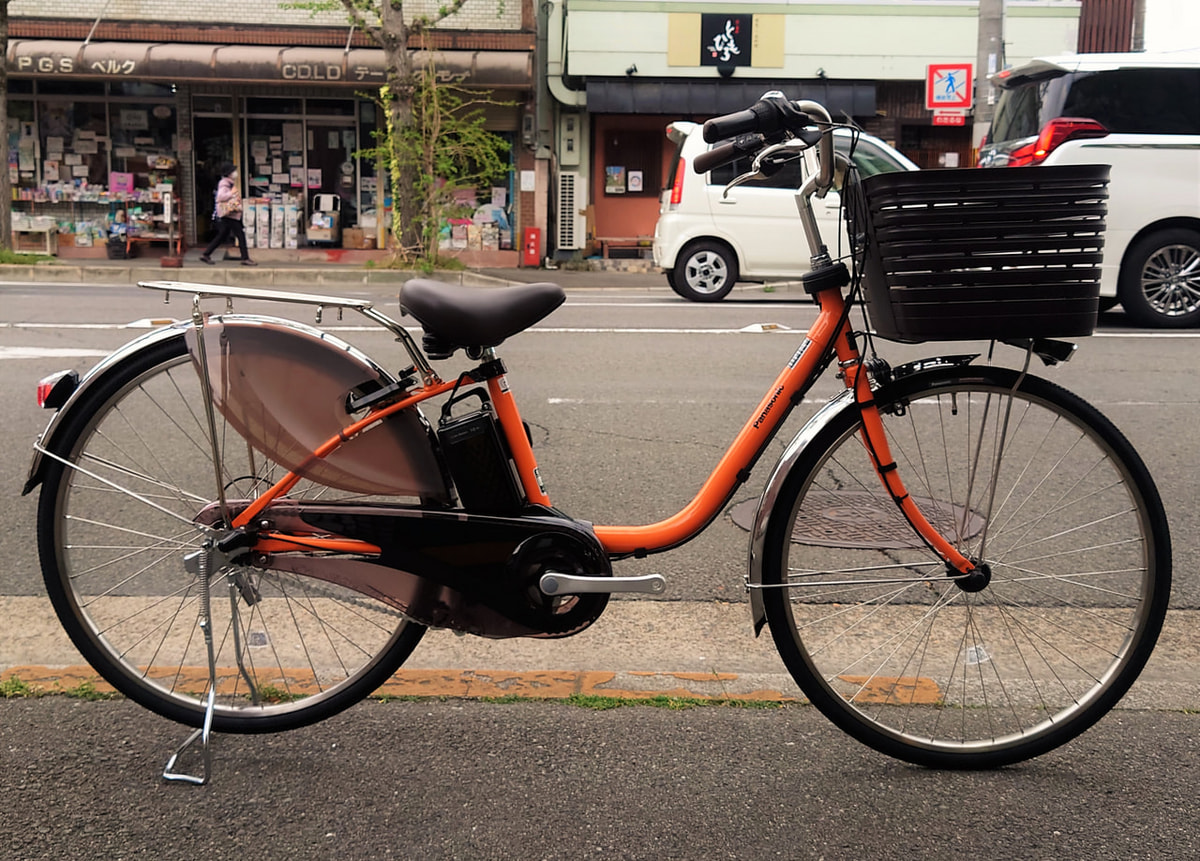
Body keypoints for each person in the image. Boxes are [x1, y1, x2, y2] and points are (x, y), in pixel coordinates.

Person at [199, 162, 256, 265]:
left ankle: (206, 254)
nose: (235, 173)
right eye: (233, 171)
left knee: (222, 235)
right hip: (230, 214)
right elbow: (220, 197)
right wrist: (232, 193)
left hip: (228, 214)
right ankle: (245, 258)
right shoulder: (225, 183)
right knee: (240, 235)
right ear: (229, 173)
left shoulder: (228, 183)